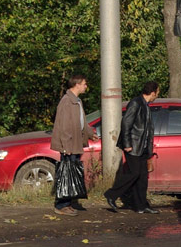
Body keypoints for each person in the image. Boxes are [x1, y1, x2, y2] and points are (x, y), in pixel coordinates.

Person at [105, 81, 160, 214]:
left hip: (142, 147)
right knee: (134, 173)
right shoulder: (136, 103)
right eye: (157, 93)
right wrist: (127, 144)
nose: (157, 96)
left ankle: (141, 205)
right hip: (134, 146)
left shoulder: (145, 105)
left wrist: (149, 149)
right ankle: (111, 194)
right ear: (152, 93)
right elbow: (126, 123)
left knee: (142, 177)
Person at [50, 73, 97, 215]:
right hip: (69, 145)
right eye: (84, 84)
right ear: (77, 84)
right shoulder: (66, 101)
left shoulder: (77, 101)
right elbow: (64, 126)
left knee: (72, 174)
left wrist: (90, 134)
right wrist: (65, 147)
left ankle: (68, 203)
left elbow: (81, 122)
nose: (86, 86)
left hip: (75, 143)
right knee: (66, 174)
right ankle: (61, 205)